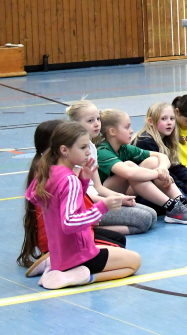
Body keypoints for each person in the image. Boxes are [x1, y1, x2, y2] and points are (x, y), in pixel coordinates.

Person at [25, 122, 141, 289]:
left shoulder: (50, 171)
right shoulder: (69, 179)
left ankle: (54, 265)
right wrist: (103, 206)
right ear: (64, 150)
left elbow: (38, 198)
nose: (88, 151)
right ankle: (76, 276)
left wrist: (83, 181)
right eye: (83, 147)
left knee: (116, 244)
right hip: (76, 255)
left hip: (62, 252)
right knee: (134, 262)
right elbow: (69, 222)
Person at [97, 109, 187, 224]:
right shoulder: (103, 151)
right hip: (103, 196)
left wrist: (162, 168)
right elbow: (129, 173)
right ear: (112, 131)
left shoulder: (123, 148)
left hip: (125, 190)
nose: (131, 131)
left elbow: (161, 156)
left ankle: (183, 202)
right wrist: (158, 174)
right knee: (130, 166)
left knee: (153, 161)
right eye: (127, 127)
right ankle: (172, 207)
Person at [66, 100, 156, 235]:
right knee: (144, 220)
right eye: (90, 121)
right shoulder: (74, 151)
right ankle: (89, 230)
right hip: (85, 205)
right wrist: (107, 202)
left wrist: (119, 197)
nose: (96, 123)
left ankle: (92, 228)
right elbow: (80, 195)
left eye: (98, 119)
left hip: (97, 198)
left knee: (152, 215)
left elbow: (98, 187)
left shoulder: (91, 147)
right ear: (75, 124)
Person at [132, 102, 187, 220]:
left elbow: (177, 167)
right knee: (172, 182)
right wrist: (184, 192)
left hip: (166, 182)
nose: (169, 122)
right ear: (150, 122)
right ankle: (183, 201)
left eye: (172, 119)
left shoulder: (167, 138)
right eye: (163, 119)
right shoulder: (145, 141)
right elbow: (166, 176)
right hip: (146, 192)